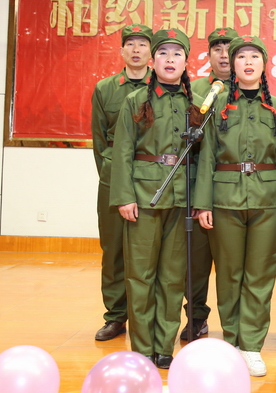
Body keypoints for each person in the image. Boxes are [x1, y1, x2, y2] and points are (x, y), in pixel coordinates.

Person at [194, 35, 276, 377]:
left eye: (254, 57)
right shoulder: (216, 104)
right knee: (229, 273)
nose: (248, 63)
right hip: (224, 198)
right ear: (231, 65)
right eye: (241, 57)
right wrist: (203, 203)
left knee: (260, 274)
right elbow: (207, 156)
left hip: (267, 198)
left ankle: (251, 345)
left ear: (265, 64)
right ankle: (232, 341)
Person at [110, 28, 197, 369]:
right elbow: (122, 151)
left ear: (186, 62)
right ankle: (142, 347)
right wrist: (124, 197)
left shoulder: (195, 102)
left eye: (177, 54)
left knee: (173, 277)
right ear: (152, 60)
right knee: (141, 275)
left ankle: (164, 346)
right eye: (163, 53)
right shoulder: (136, 100)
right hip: (144, 196)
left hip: (181, 197)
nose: (170, 59)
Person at [91, 23, 153, 342]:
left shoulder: (163, 88)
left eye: (143, 44)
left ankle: (149, 314)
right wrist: (111, 174)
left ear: (152, 52)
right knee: (113, 249)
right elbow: (99, 139)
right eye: (131, 44)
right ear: (122, 51)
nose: (136, 49)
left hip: (151, 176)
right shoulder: (105, 89)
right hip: (114, 176)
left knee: (150, 250)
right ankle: (116, 316)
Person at [182, 26, 237, 340]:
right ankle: (196, 317)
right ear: (208, 55)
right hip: (197, 184)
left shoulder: (251, 89)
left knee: (233, 263)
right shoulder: (194, 90)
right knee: (196, 261)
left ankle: (236, 324)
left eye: (229, 49)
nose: (224, 55)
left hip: (234, 188)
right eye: (217, 49)